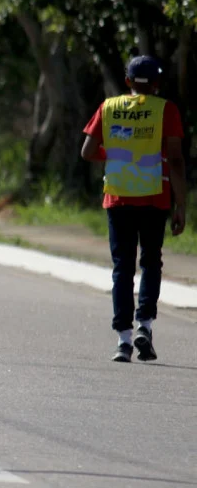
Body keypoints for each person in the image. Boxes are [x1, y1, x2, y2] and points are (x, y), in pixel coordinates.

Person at [80, 53, 186, 363]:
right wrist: (182, 205)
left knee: (122, 268)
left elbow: (86, 151)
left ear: (127, 82)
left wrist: (115, 156)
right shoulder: (165, 110)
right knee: (150, 263)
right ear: (157, 83)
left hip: (118, 197)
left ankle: (123, 340)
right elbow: (176, 160)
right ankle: (144, 326)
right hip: (154, 197)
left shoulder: (108, 107)